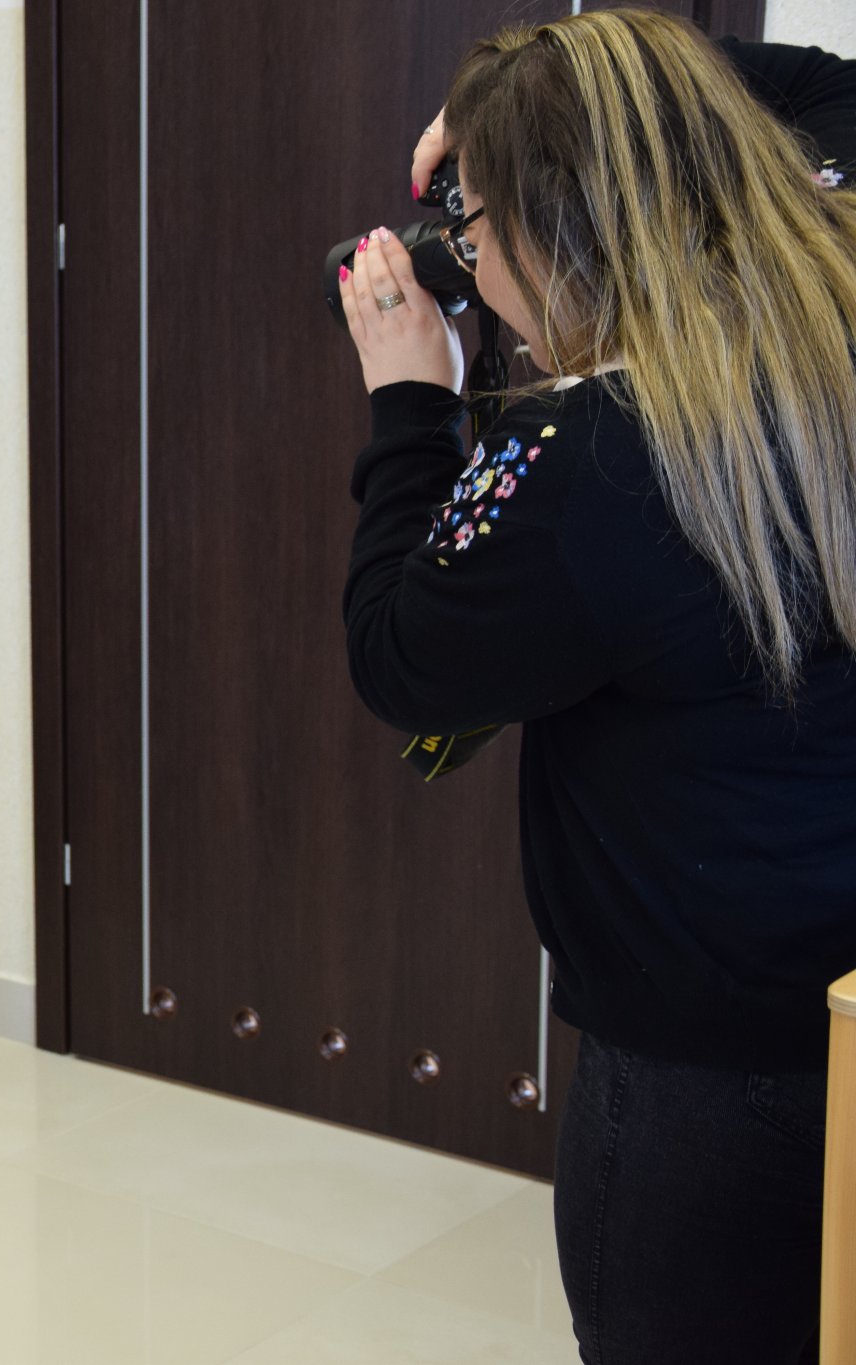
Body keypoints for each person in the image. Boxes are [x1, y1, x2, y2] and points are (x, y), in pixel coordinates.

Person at [334, 13, 856, 1363]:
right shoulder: (833, 313)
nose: (468, 251)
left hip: (701, 1076)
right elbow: (826, 92)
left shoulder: (587, 460)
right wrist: (549, 97)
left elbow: (399, 657)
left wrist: (409, 402)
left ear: (557, 231)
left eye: (475, 223)